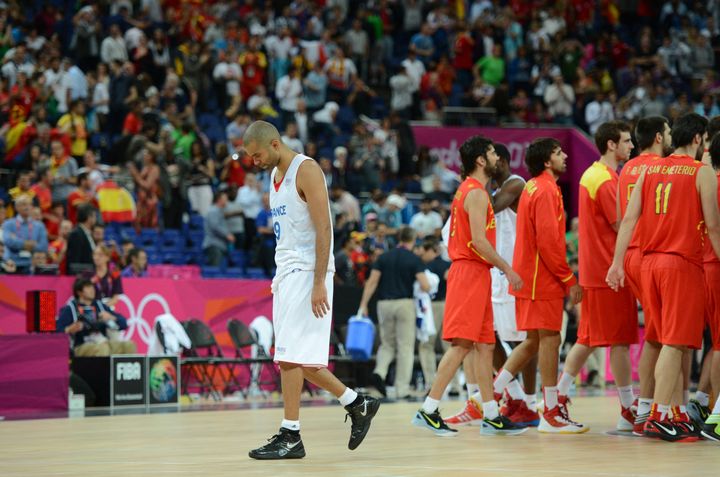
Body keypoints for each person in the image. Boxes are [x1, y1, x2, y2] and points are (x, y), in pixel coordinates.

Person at [243, 120, 380, 459]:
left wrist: (320, 281)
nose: (254, 161)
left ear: (275, 144)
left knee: (288, 357)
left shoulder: (306, 170)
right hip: (288, 271)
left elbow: (325, 230)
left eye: (257, 155)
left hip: (308, 272)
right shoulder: (274, 179)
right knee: (297, 358)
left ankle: (291, 435)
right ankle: (356, 402)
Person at [607, 113, 720, 442]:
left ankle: (664, 411)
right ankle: (659, 414)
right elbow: (713, 226)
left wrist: (616, 264)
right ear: (698, 139)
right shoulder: (701, 172)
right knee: (674, 343)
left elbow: (627, 220)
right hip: (680, 264)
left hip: (647, 263)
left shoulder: (648, 168)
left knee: (664, 340)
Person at [410, 136, 525, 436]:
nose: (497, 156)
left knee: (486, 345)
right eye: (491, 152)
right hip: (469, 272)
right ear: (481, 161)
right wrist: (507, 268)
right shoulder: (475, 194)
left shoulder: (472, 191)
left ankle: (490, 413)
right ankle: (429, 409)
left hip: (476, 273)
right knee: (461, 344)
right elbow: (478, 241)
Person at [492, 138, 585, 433]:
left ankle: (491, 395)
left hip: (528, 277)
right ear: (547, 161)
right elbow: (549, 242)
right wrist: (569, 278)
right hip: (539, 279)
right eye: (559, 153)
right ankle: (551, 412)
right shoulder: (545, 189)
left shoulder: (533, 186)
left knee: (532, 341)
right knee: (549, 340)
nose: (565, 156)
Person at [556, 121, 639, 432]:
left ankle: (557, 397)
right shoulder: (604, 180)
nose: (631, 147)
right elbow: (622, 225)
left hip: (595, 270)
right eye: (626, 142)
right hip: (608, 270)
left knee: (589, 337)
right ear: (610, 145)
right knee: (619, 339)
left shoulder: (593, 174)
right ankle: (628, 409)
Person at [616, 116, 673, 436]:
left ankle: (647, 408)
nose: (668, 137)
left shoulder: (627, 170)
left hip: (631, 254)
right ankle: (658, 410)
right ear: (657, 137)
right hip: (652, 253)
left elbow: (620, 218)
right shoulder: (660, 168)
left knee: (657, 334)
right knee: (667, 338)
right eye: (666, 132)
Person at [358, 226, 430, 399]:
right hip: (404, 303)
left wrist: (363, 304)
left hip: (383, 304)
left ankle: (379, 372)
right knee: (405, 347)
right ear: (412, 239)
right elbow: (425, 285)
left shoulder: (384, 257)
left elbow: (372, 282)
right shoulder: (413, 259)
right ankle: (402, 388)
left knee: (387, 344)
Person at [56, 277, 136, 357]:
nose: (92, 290)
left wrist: (111, 317)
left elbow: (124, 324)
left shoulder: (99, 306)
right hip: (82, 346)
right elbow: (56, 329)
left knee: (129, 346)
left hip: (104, 342)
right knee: (102, 348)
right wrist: (68, 329)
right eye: (88, 287)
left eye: (92, 287)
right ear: (79, 292)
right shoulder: (71, 308)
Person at [701, 132, 720, 442]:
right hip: (716, 264)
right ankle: (715, 417)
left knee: (718, 344)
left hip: (706, 265)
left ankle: (713, 411)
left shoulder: (708, 182)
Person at [2, 196, 49, 273]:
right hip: (11, 264)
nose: (26, 207)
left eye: (29, 204)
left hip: (31, 264)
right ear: (16, 207)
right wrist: (29, 244)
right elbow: (8, 241)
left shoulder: (39, 225)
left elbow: (43, 246)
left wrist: (17, 241)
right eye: (23, 204)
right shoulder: (8, 223)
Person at [202, 190, 235, 267]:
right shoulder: (213, 211)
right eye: (225, 198)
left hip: (219, 245)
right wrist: (227, 235)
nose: (227, 200)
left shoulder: (219, 211)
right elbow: (215, 226)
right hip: (214, 244)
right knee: (214, 270)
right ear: (219, 200)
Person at [66, 204, 97, 275]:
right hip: (81, 277)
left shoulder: (87, 233)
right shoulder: (77, 234)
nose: (96, 219)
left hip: (89, 275)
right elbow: (74, 260)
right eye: (94, 216)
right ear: (89, 217)